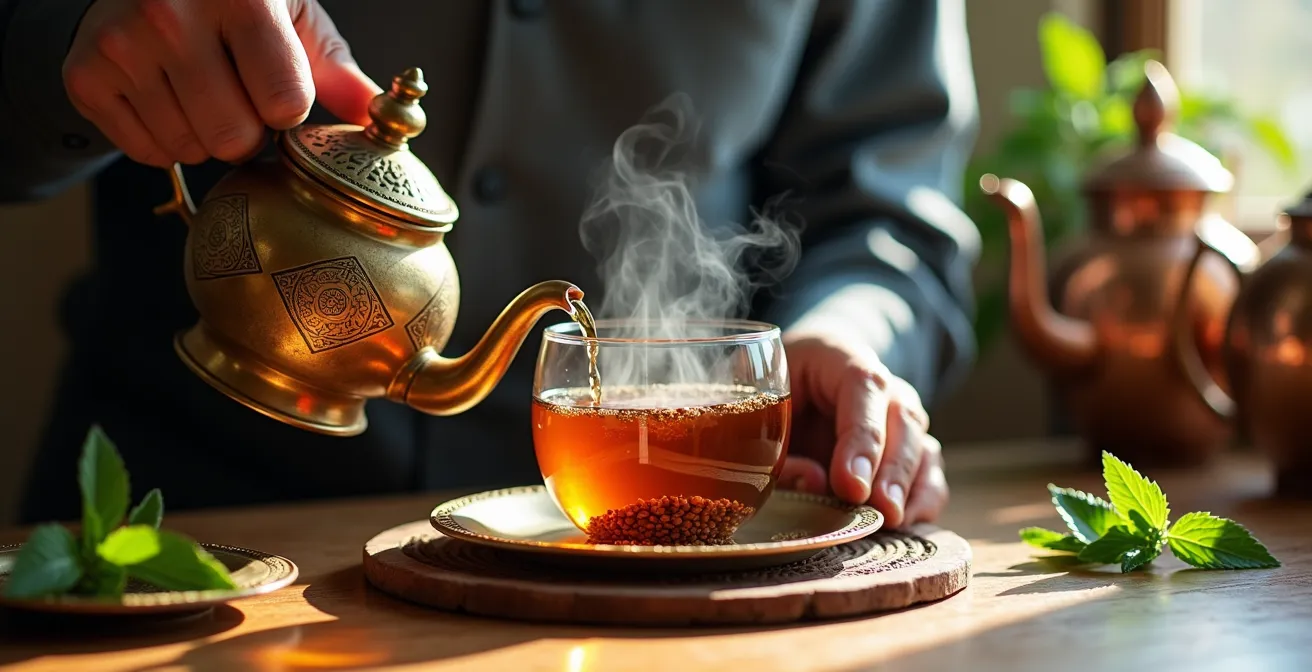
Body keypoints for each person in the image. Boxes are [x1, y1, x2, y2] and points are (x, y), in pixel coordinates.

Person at [3, 0, 979, 529]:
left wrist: (840, 334)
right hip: (171, 526)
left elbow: (885, 213)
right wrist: (73, 39)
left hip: (628, 581)